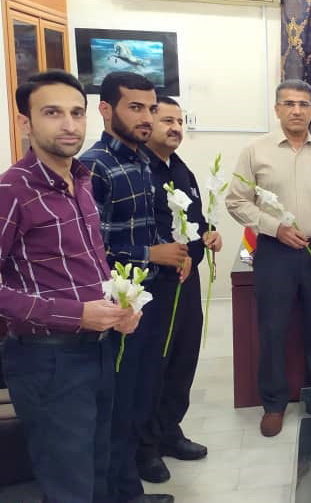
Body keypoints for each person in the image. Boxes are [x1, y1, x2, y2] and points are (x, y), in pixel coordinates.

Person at [0, 70, 140, 502]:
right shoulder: (11, 190)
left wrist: (119, 306)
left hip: (96, 350)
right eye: (52, 113)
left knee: (97, 470)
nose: (69, 124)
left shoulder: (80, 180)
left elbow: (87, 266)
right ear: (25, 122)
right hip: (47, 359)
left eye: (77, 113)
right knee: (69, 483)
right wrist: (76, 314)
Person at [81, 71, 186, 503]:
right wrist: (152, 254)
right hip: (114, 308)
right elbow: (91, 246)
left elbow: (142, 226)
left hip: (144, 300)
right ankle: (118, 492)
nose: (146, 118)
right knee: (118, 404)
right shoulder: (95, 166)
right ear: (106, 109)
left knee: (140, 395)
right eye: (135, 108)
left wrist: (171, 253)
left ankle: (128, 488)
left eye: (151, 108)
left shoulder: (141, 162)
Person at [226, 79, 311, 436]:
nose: (296, 110)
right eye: (289, 104)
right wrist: (273, 227)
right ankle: (274, 404)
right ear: (277, 109)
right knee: (273, 330)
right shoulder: (255, 151)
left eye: (304, 104)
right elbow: (236, 201)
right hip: (275, 252)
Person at [137, 96, 222, 482]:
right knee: (153, 366)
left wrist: (207, 237)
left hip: (186, 282)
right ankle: (145, 448)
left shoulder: (181, 169)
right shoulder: (140, 170)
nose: (175, 128)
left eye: (179, 122)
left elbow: (195, 221)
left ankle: (169, 431)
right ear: (147, 122)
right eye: (166, 120)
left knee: (183, 360)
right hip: (153, 286)